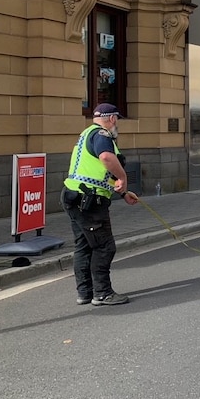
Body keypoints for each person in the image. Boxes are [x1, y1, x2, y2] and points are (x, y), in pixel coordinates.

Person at [61, 103, 139, 306]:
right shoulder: (102, 135)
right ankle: (102, 293)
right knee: (104, 246)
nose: (117, 124)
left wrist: (123, 193)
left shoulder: (86, 134)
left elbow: (96, 173)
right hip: (89, 201)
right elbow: (106, 158)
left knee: (84, 245)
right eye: (117, 119)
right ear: (112, 118)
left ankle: (85, 293)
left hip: (73, 196)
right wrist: (123, 176)